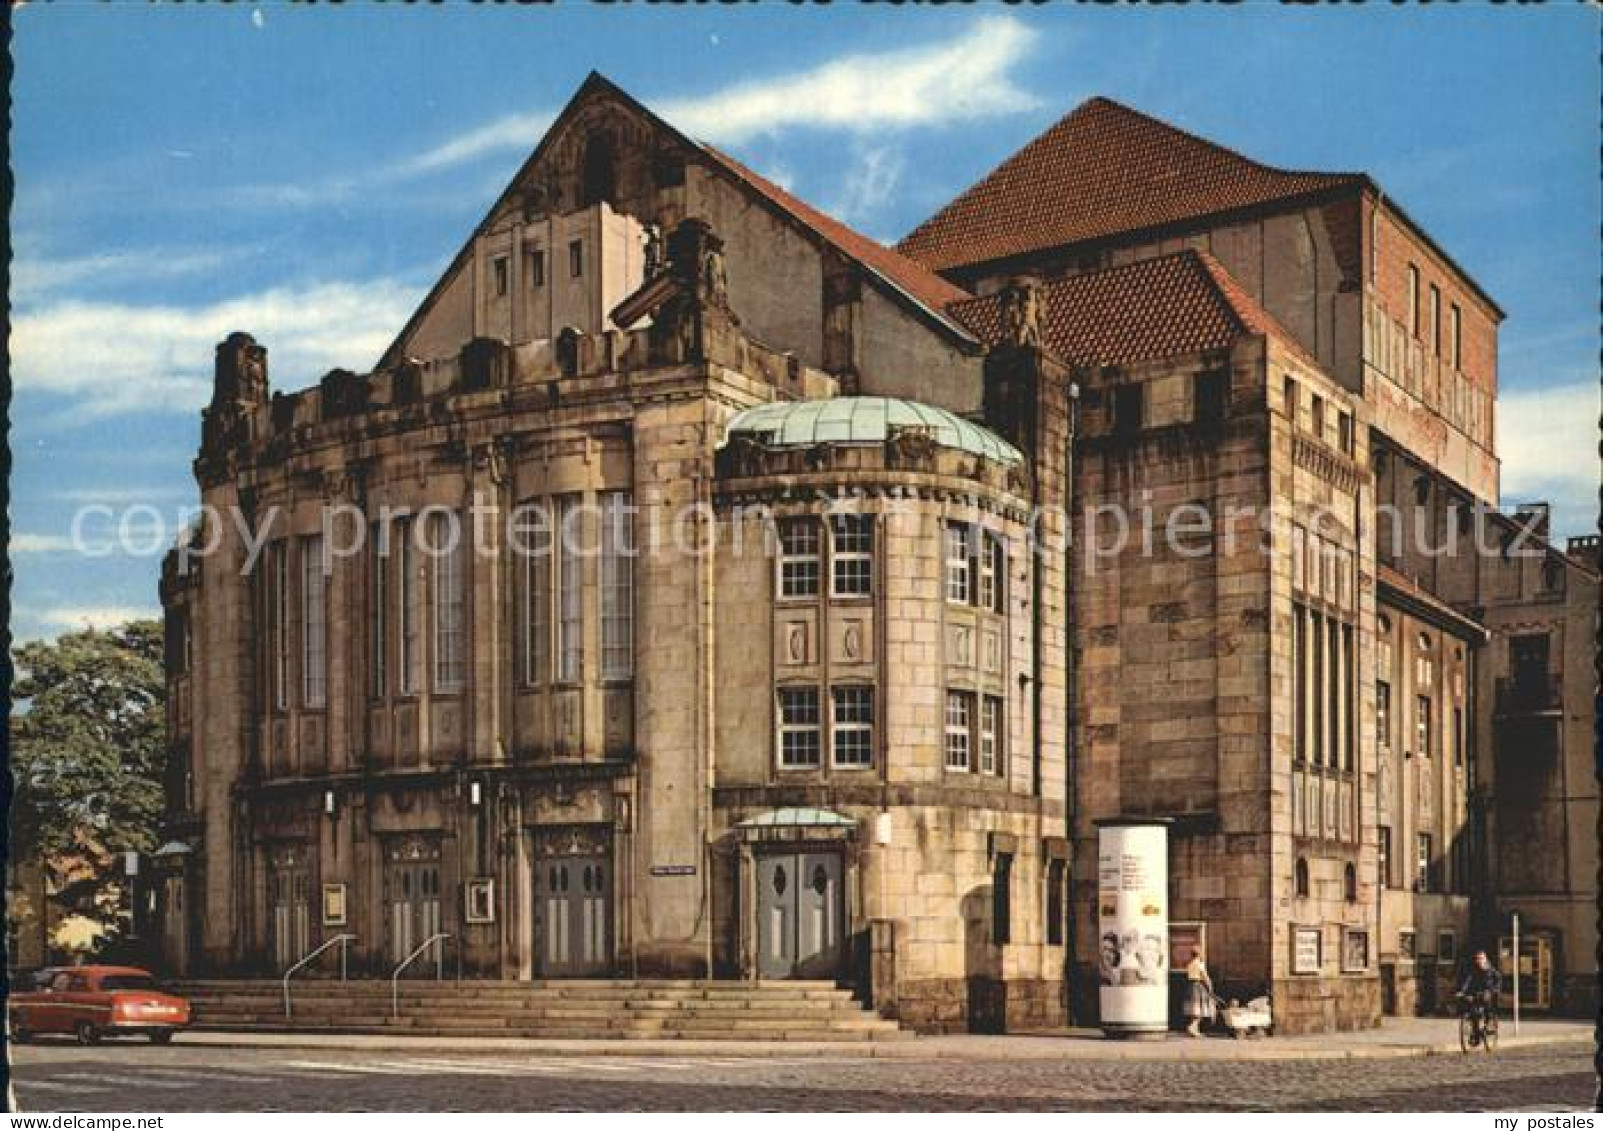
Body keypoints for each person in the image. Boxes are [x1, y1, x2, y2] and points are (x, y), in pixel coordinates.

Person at [1457, 949, 1502, 1045]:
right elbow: (1468, 981)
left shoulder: (1491, 970)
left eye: (1481, 958)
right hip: (1476, 992)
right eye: (1477, 959)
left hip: (1488, 992)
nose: (1479, 961)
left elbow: (1498, 979)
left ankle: (1489, 1024)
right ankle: (1476, 1035)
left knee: (1487, 1003)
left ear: (1485, 959)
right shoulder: (1474, 970)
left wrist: (1495, 989)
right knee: (1473, 1012)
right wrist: (1462, 991)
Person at [1183, 947, 1215, 1037]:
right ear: (1199, 954)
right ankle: (1192, 1026)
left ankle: (1195, 1031)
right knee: (1200, 1009)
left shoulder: (1190, 964)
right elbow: (1205, 977)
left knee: (1194, 1009)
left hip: (1190, 985)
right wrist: (1210, 987)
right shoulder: (1200, 964)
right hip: (1199, 986)